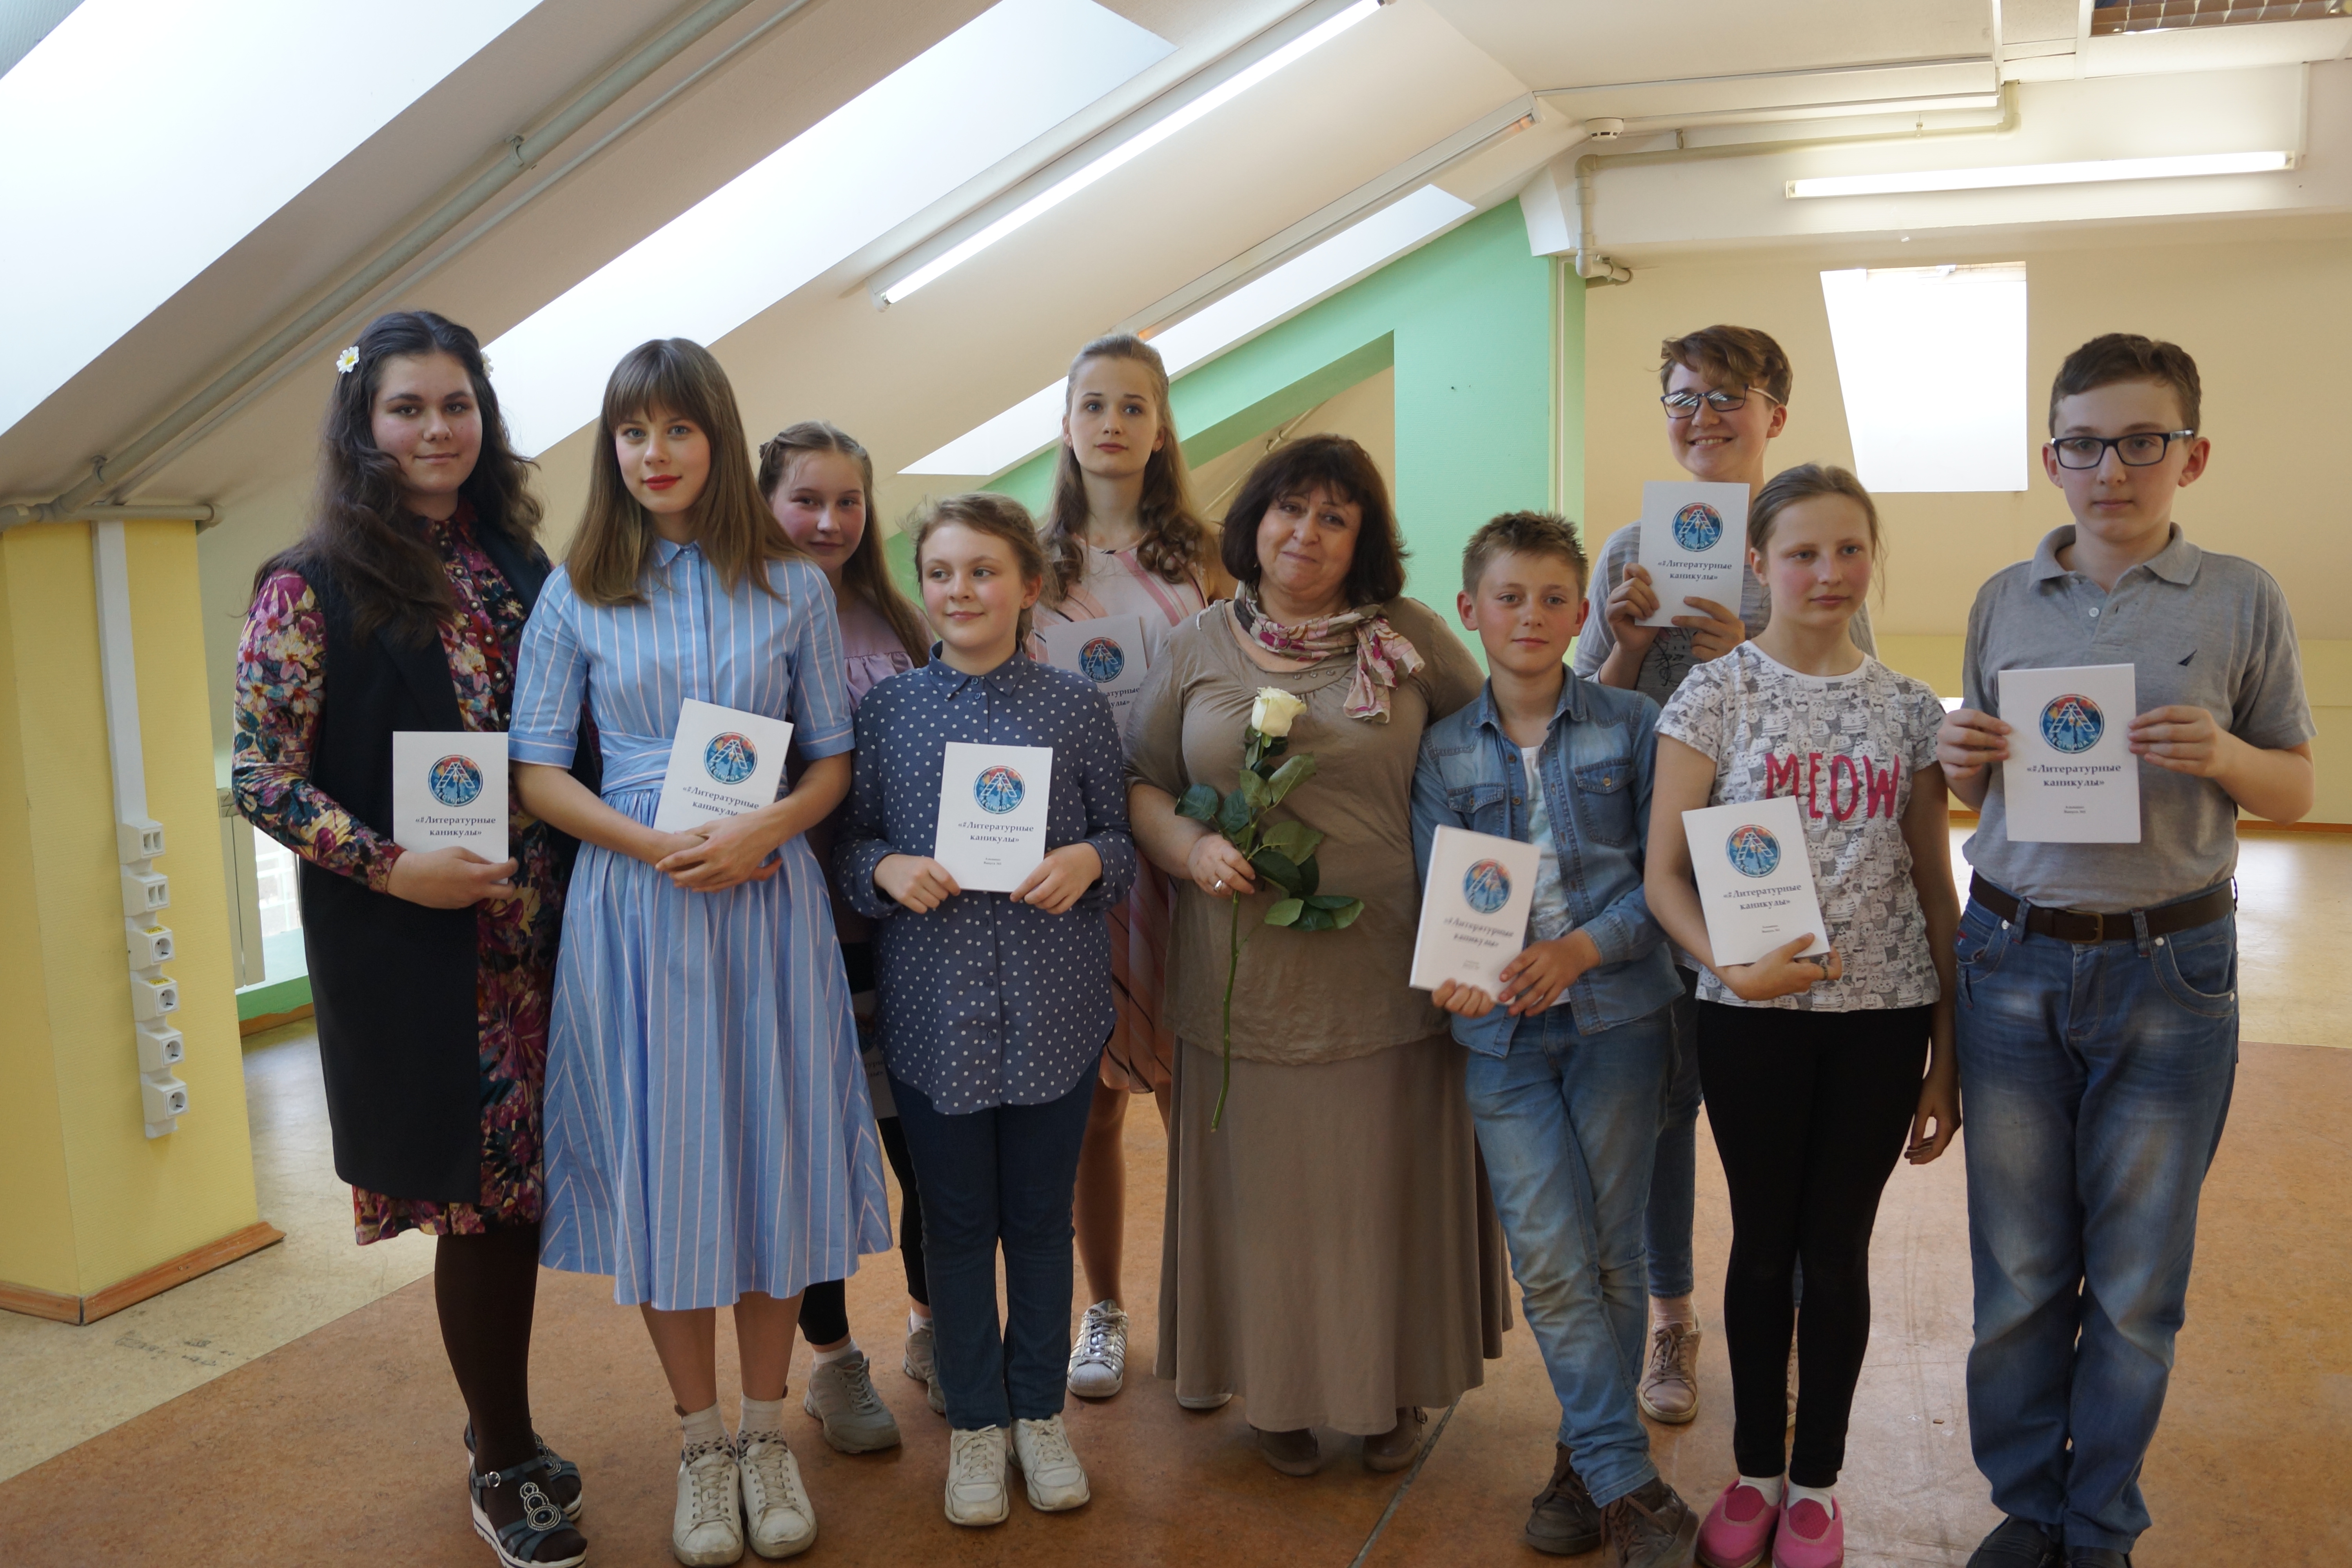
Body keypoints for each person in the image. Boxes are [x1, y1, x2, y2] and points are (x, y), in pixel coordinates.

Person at [511, 339, 891, 1566]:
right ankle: (699, 1443)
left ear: (719, 441)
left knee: (769, 1155)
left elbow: (830, 761)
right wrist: (651, 844)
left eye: (678, 429)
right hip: (638, 904)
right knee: (669, 1167)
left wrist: (763, 830)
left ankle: (768, 1433)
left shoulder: (792, 588)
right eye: (633, 432)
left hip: (765, 903)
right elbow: (535, 771)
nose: (654, 453)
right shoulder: (579, 589)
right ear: (611, 449)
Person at [1938, 336, 2314, 1568]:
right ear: (2052, 458)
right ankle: (2027, 1509)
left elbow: (2298, 787)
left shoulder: (2243, 596)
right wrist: (1957, 761)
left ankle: (2099, 1523)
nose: (2112, 469)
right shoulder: (2002, 599)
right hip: (2011, 957)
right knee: (2019, 1277)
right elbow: (1978, 788)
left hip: (2172, 971)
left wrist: (2229, 757)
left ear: (2190, 456)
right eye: (2085, 444)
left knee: (2140, 1287)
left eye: (2142, 442)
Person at [232, 310, 588, 1568]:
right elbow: (261, 777)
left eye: (457, 405)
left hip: (546, 935)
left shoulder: (519, 563)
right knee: (480, 1206)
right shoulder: (308, 583)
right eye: (408, 408)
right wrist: (396, 867)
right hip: (424, 948)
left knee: (525, 1199)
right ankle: (502, 1460)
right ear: (364, 425)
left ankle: (501, 1426)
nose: (437, 429)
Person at [1126, 433, 1507, 1479]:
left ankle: (1387, 1388)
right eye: (1290, 509)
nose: (1307, 532)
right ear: (1254, 522)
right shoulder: (1198, 643)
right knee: (1271, 1202)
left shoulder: (1410, 637)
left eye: (1335, 517)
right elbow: (1141, 781)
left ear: (1363, 540)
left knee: (1379, 1197)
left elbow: (1497, 751)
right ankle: (1280, 1391)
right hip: (1240, 980)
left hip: (1391, 973)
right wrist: (1190, 848)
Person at [1644, 464, 1960, 1568]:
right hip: (1752, 1021)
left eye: (1850, 549)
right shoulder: (1715, 694)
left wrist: (1947, 1058)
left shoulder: (1910, 709)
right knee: (1763, 1243)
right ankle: (1753, 1474)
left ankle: (1816, 1484)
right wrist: (1728, 965)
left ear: (1873, 557)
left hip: (1884, 1020)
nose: (1829, 572)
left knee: (1837, 1252)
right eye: (1803, 553)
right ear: (1761, 563)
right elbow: (1663, 877)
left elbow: (1935, 888)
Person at [1574, 325, 1878, 1427]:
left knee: (1773, 1113)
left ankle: (1785, 1323)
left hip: (1763, 871)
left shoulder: (1809, 544)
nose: (1701, 416)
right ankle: (1673, 1318)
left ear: (1774, 415)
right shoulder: (1629, 548)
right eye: (1682, 397)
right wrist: (1622, 645)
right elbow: (1582, 716)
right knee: (1663, 1109)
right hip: (1645, 867)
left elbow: (1852, 716)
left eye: (1726, 396)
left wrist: (1734, 669)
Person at [833, 493, 1136, 1528]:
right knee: (957, 1226)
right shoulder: (888, 713)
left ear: (1029, 586)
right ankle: (974, 1422)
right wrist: (889, 869)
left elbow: (1121, 840)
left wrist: (1088, 859)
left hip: (1055, 1011)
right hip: (935, 1017)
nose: (960, 590)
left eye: (983, 571)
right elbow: (851, 847)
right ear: (921, 587)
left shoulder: (1075, 707)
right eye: (941, 573)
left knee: (1040, 1224)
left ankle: (1038, 1414)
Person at [1410, 512, 1702, 1567]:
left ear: (1582, 615)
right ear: (1470, 610)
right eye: (1508, 598)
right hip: (1501, 1043)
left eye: (1551, 599)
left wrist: (1579, 951)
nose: (1529, 616)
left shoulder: (1634, 723)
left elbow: (1666, 882)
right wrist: (1458, 975)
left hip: (1622, 1021)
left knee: (1615, 1255)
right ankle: (1630, 1482)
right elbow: (1443, 896)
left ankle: (1585, 1474)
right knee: (1548, 1262)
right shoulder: (1443, 749)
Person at [1031, 332, 1229, 1401]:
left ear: (1161, 430)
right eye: (1093, 404)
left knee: (1191, 1094)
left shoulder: (1205, 558)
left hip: (1180, 848)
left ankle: (1206, 1311)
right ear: (1067, 426)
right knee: (1090, 1104)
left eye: (1134, 406)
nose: (1112, 422)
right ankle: (1101, 1311)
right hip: (1073, 861)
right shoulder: (1032, 559)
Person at [756, 421, 935, 1452]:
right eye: (806, 500)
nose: (829, 521)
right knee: (814, 1161)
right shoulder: (738, 617)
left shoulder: (899, 618)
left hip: (903, 934)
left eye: (848, 502)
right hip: (785, 933)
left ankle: (934, 1326)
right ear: (764, 502)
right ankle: (832, 1364)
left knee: (928, 1147)